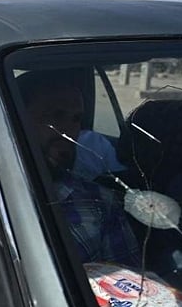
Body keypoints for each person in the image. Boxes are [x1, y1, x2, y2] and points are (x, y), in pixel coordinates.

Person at [16, 69, 140, 267]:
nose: (68, 131)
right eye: (55, 116)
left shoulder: (100, 203)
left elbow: (130, 285)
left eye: (76, 119)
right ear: (18, 119)